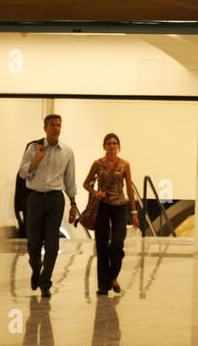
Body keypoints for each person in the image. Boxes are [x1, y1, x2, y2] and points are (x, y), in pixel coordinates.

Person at [17, 114, 78, 297]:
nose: (56, 128)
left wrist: (73, 204)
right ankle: (36, 270)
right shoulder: (33, 148)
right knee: (33, 243)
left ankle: (45, 282)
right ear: (45, 128)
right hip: (35, 198)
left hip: (55, 200)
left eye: (58, 125)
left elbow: (70, 180)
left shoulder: (67, 151)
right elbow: (22, 172)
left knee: (52, 243)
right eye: (52, 125)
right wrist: (37, 158)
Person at [83, 133, 139, 295]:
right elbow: (86, 183)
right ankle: (103, 285)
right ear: (104, 146)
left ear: (118, 146)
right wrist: (95, 192)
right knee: (101, 246)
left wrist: (134, 212)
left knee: (116, 244)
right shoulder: (98, 164)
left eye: (114, 143)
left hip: (120, 207)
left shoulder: (124, 165)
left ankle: (113, 276)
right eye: (108, 143)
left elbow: (129, 188)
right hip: (102, 207)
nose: (112, 146)